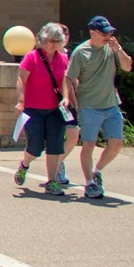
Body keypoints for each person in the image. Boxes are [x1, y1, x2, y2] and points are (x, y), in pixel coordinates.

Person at [66, 15, 133, 199]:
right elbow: (69, 77)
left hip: (111, 105)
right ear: (92, 33)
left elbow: (127, 67)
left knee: (116, 144)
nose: (107, 36)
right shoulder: (81, 52)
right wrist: (73, 101)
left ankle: (97, 171)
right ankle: (89, 184)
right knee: (89, 144)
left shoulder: (111, 49)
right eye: (104, 33)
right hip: (89, 106)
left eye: (110, 32)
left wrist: (118, 49)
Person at [12, 23, 72, 195]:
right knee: (35, 147)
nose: (52, 44)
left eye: (56, 41)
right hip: (33, 109)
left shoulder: (63, 59)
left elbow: (65, 81)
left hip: (55, 109)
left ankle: (51, 181)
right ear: (42, 40)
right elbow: (21, 79)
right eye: (49, 40)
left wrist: (67, 97)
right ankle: (24, 165)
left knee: (55, 146)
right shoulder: (32, 57)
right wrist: (21, 101)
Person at [56, 23, 79, 186]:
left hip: (70, 102)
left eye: (66, 34)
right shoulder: (45, 55)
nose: (63, 36)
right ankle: (56, 166)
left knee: (73, 136)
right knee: (55, 137)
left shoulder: (73, 56)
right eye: (60, 33)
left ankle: (58, 162)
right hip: (51, 101)